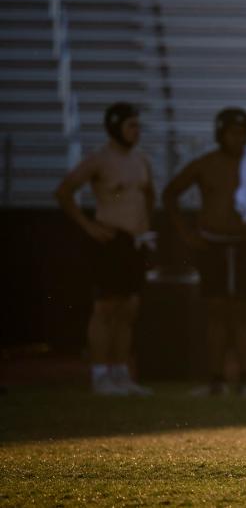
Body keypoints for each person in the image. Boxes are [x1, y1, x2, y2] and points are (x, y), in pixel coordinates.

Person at [162, 108, 246, 396]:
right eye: (232, 133)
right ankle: (216, 378)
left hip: (244, 245)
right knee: (216, 311)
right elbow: (170, 193)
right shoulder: (206, 163)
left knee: (242, 312)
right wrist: (186, 233)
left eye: (242, 134)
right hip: (212, 245)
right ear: (221, 134)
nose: (238, 139)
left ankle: (244, 380)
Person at [55, 102, 155, 396]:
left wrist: (144, 227)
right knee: (106, 308)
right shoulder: (100, 160)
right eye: (130, 126)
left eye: (138, 126)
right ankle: (100, 375)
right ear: (115, 127)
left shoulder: (141, 160)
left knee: (128, 309)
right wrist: (88, 226)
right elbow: (64, 191)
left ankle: (120, 373)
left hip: (135, 242)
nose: (136, 132)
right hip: (110, 241)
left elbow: (149, 194)